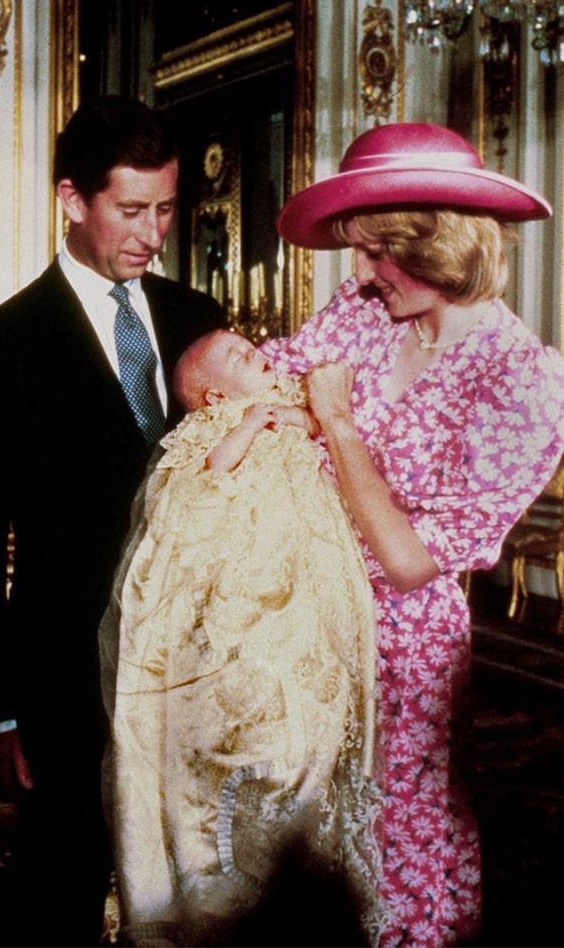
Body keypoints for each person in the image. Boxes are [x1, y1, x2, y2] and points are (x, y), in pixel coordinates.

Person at [261, 121, 564, 948]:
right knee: (298, 843)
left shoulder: (521, 382)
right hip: (302, 619)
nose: (358, 273)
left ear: (438, 245)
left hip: (403, 650)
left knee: (398, 849)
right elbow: (260, 379)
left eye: (376, 253)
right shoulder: (367, 316)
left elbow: (405, 561)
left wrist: (335, 421)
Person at [0, 95, 226, 947]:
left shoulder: (196, 319)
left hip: (200, 664)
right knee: (64, 881)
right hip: (64, 678)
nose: (154, 232)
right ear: (73, 199)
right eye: (132, 210)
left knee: (196, 876)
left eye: (168, 208)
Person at [99, 329, 386, 948]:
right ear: (209, 395)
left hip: (303, 558)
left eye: (247, 343)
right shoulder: (214, 425)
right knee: (244, 683)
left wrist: (294, 414)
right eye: (234, 356)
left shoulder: (284, 394)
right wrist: (251, 424)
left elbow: (318, 423)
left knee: (312, 687)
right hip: (241, 563)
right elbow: (209, 473)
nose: (254, 350)